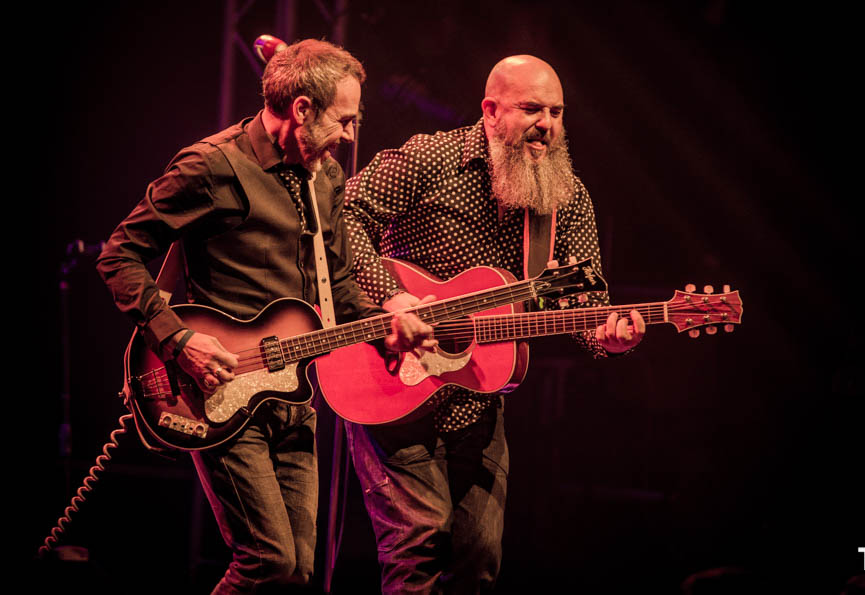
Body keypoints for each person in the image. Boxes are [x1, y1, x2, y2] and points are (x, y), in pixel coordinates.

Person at [96, 39, 435, 594]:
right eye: (344, 120)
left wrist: (388, 318)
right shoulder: (212, 165)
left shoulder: (325, 178)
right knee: (268, 561)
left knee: (300, 574)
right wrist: (178, 340)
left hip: (293, 396)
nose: (351, 135)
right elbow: (119, 254)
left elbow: (337, 285)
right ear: (302, 109)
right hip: (216, 390)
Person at [342, 55, 646, 593]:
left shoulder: (567, 197)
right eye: (532, 108)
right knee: (417, 547)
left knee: (478, 559)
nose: (547, 124)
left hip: (478, 397)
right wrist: (392, 300)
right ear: (490, 110)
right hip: (388, 380)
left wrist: (608, 337)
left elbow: (582, 303)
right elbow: (345, 215)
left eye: (556, 111)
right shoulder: (429, 158)